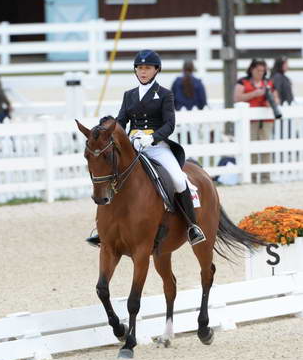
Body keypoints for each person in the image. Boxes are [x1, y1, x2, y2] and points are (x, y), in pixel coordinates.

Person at [87, 49, 206, 248]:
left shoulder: (165, 95)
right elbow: (121, 121)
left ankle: (192, 226)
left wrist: (152, 138)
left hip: (157, 147)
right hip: (133, 147)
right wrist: (109, 126)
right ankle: (103, 229)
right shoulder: (129, 95)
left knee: (178, 179)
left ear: (156, 70)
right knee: (112, 176)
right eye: (140, 68)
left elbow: (169, 124)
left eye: (147, 68)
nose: (143, 72)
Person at [234, 58, 279, 183]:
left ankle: (266, 177)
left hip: (265, 121)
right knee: (251, 149)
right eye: (258, 70)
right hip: (249, 121)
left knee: (265, 148)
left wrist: (270, 101)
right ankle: (252, 177)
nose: (261, 73)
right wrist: (254, 94)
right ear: (252, 69)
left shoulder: (269, 82)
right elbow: (237, 98)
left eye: (262, 71)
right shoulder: (243, 82)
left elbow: (276, 99)